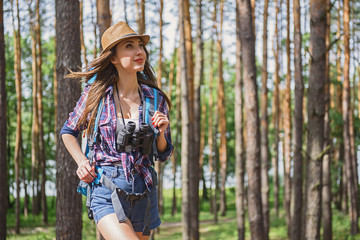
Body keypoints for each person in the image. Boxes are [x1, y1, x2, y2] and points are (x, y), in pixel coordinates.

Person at [60, 21, 173, 240]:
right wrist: (82, 162)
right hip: (106, 188)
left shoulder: (154, 97)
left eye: (140, 45)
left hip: (144, 190)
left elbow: (163, 153)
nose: (139, 51)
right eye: (129, 46)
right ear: (113, 58)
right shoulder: (97, 95)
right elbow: (68, 131)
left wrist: (161, 132)